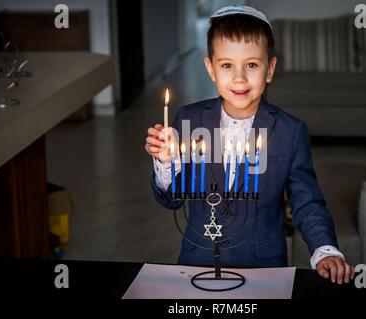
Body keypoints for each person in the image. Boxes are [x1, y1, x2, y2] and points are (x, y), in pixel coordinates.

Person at [145, 5, 354, 284]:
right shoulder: (188, 120)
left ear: (270, 69)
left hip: (263, 269)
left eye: (252, 65)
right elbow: (172, 200)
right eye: (227, 65)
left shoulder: (290, 131)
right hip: (198, 264)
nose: (240, 77)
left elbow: (307, 202)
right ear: (210, 69)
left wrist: (324, 250)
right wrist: (166, 162)